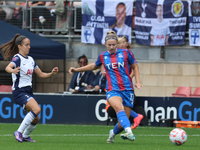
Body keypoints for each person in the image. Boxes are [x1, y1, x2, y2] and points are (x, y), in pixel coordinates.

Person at [69, 31, 143, 143]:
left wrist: (137, 82)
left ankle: (112, 134)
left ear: (117, 44)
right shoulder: (103, 56)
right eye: (109, 45)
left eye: (114, 45)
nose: (112, 47)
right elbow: (94, 66)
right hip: (112, 89)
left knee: (122, 123)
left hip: (128, 90)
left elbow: (135, 67)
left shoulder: (126, 53)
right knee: (118, 107)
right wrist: (76, 70)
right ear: (105, 44)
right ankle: (130, 133)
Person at [0, 34, 59, 143]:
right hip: (19, 92)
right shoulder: (17, 58)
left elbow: (41, 74)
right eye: (26, 45)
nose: (29, 47)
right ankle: (19, 132)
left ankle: (26, 136)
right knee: (37, 109)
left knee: (36, 118)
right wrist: (12, 70)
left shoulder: (31, 60)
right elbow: (8, 67)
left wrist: (51, 74)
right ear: (19, 46)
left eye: (29, 45)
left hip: (28, 91)